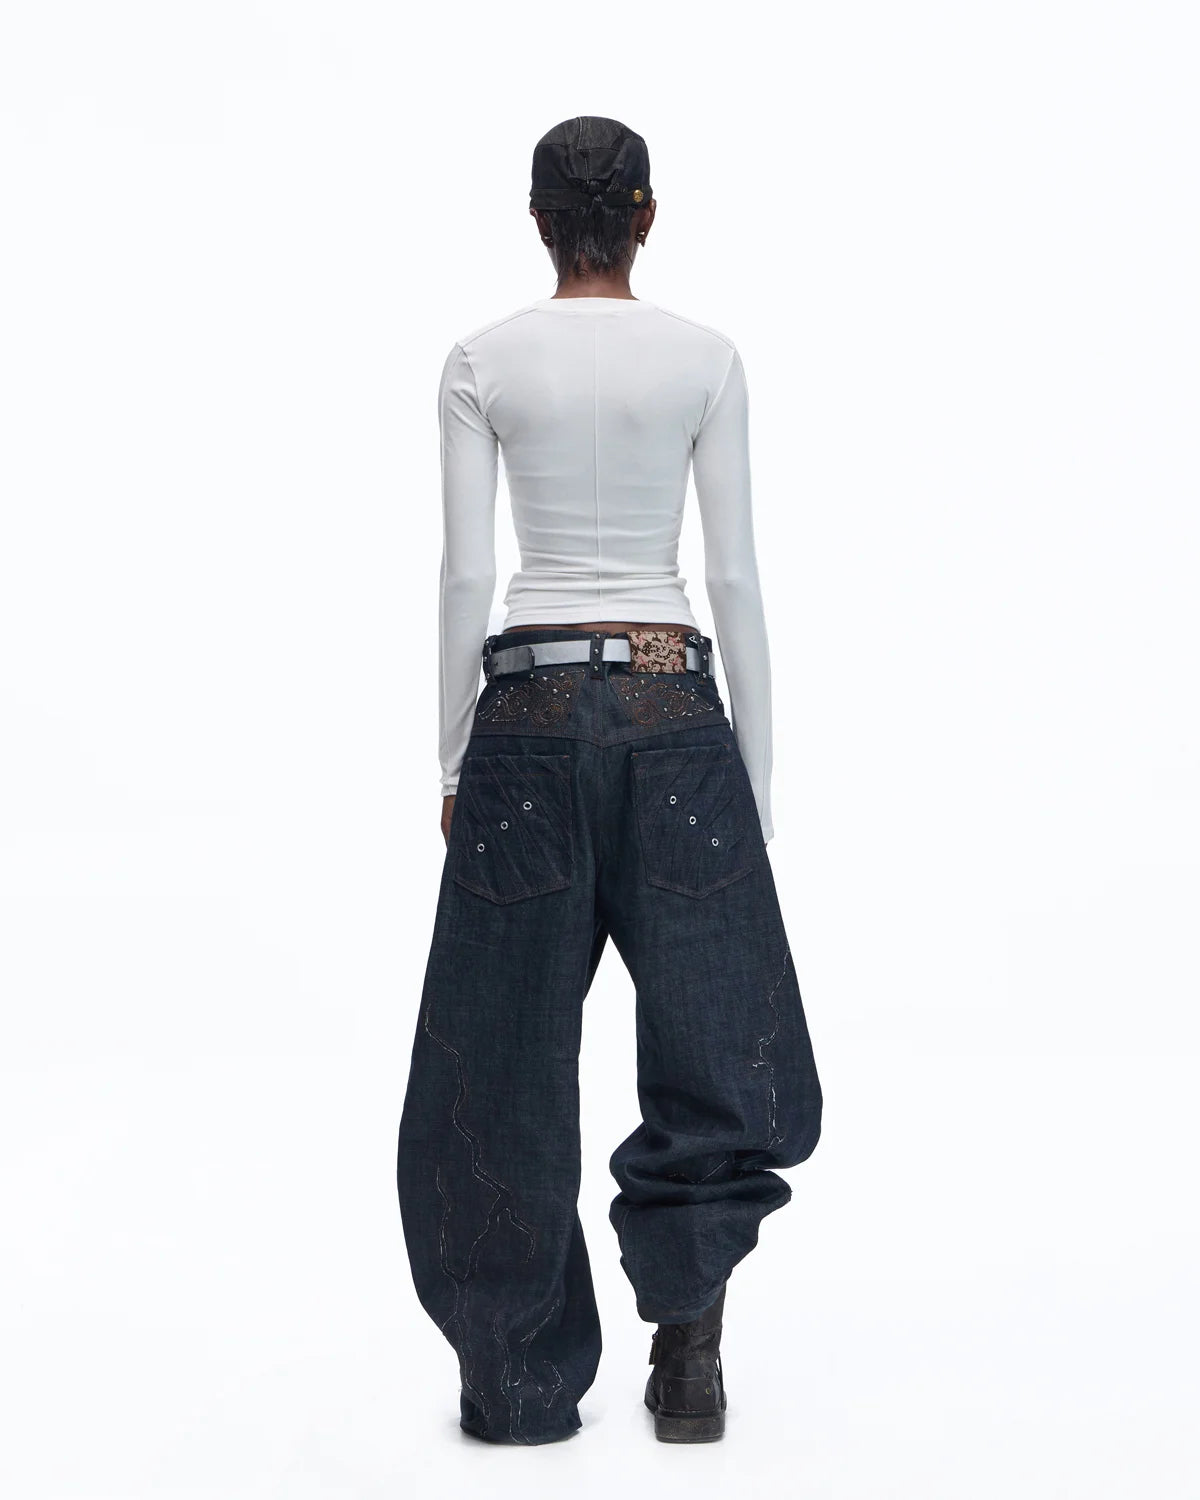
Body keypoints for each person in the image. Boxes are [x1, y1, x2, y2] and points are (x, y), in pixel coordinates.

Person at [396, 116, 823, 1446]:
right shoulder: (705, 358)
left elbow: (468, 575)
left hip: (524, 714)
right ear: (647, 217)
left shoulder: (482, 359)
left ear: (538, 221)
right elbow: (734, 574)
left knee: (496, 1057)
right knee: (718, 1036)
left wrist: (453, 756)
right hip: (673, 706)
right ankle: (688, 1351)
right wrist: (752, 777)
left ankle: (517, 1389)